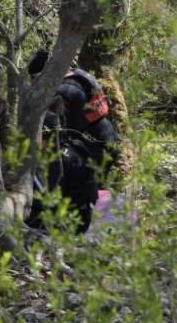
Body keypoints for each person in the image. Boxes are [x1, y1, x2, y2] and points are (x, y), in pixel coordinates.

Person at [26, 50, 122, 233]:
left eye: (33, 79)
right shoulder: (77, 78)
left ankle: (56, 223)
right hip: (106, 142)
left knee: (71, 181)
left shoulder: (63, 92)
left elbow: (55, 136)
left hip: (94, 149)